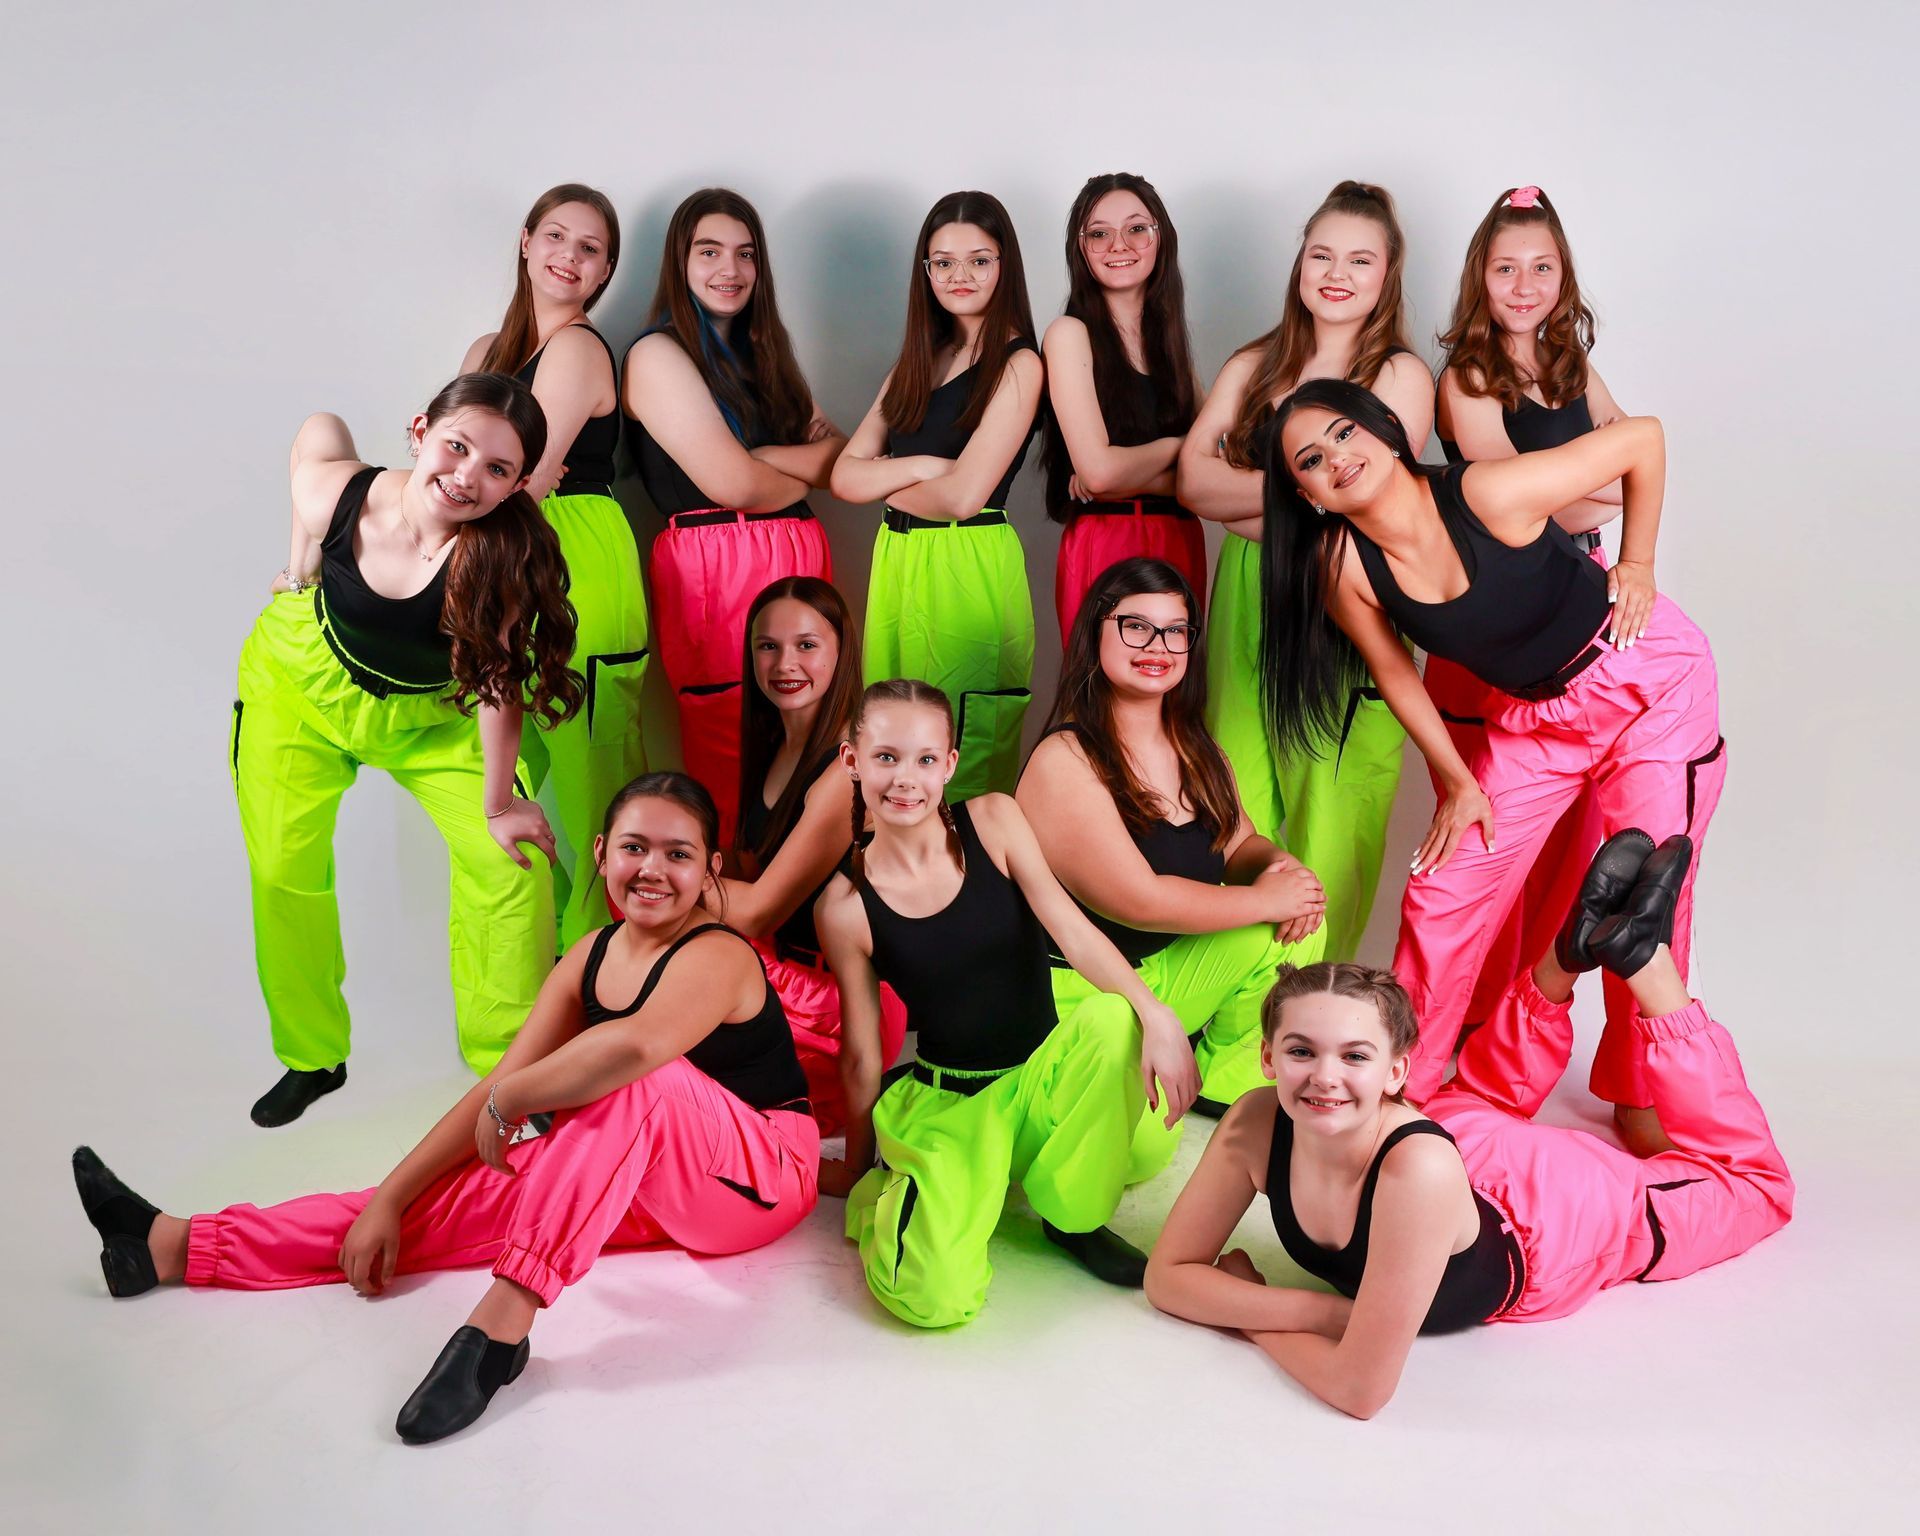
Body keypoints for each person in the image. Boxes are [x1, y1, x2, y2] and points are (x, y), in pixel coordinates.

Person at [74, 774, 818, 1444]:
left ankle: (501, 1329)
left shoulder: (719, 953)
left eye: (678, 854)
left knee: (630, 1083)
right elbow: (500, 1083)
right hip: (636, 1165)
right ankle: (172, 1245)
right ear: (600, 851)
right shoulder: (589, 955)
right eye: (634, 847)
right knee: (407, 1213)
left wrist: (513, 1099)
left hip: (763, 1178)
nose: (652, 869)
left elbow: (631, 1052)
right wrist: (395, 1197)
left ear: (710, 869)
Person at [1146, 831, 1792, 1419]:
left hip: (1549, 1218)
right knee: (1481, 1095)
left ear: (1398, 1072)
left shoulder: (1419, 1166)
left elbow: (1358, 1389)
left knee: (1756, 1188)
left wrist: (1249, 1314)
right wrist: (1319, 1312)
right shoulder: (1257, 1119)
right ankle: (1565, 954)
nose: (1323, 1077)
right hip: (1456, 1143)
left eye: (1355, 1056)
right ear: (1267, 1058)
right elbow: (1167, 1278)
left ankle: (1644, 959)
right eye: (1300, 1051)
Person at [1258, 378, 1725, 1131]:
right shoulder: (1344, 563)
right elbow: (1395, 676)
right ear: (1307, 494)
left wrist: (1635, 563)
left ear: (1384, 430)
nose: (1336, 458)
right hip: (1535, 719)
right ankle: (1398, 1091)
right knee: (1441, 893)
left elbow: (1643, 438)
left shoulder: (1486, 493)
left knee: (1646, 882)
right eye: (1311, 459)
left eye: (1345, 433)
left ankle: (1644, 1090)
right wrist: (1456, 784)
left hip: (1643, 679)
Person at [239, 373, 580, 1127]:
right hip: (304, 687)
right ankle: (312, 1055)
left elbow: (498, 684)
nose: (466, 477)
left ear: (519, 484)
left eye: (496, 469)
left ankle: (510, 1070)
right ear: (420, 431)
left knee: (510, 863)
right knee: (281, 867)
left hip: (440, 716)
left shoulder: (499, 557)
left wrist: (498, 803)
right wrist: (298, 564)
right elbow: (317, 428)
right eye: (456, 447)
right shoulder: (338, 495)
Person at [815, 680, 1199, 1328]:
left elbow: (1072, 932)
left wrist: (1156, 1013)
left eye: (924, 760)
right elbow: (859, 1050)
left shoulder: (993, 819)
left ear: (950, 765)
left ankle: (1070, 1219)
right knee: (932, 1302)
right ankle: (905, 1192)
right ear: (852, 761)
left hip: (1041, 1077)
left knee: (1115, 1022)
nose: (905, 779)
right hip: (955, 1106)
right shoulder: (846, 907)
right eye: (885, 758)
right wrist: (856, 1168)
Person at [1176, 180, 1433, 960]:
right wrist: (1307, 491)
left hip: (1341, 603)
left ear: (1387, 274)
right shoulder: (1254, 362)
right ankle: (1237, 1023)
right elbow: (1192, 483)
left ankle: (1316, 1017)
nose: (1337, 273)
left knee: (1333, 817)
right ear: (1300, 262)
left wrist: (1250, 495)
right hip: (1245, 598)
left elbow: (1367, 505)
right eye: (1321, 254)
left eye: (1361, 259)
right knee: (1233, 803)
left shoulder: (1399, 376)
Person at [1017, 557, 1327, 1180]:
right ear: (1096, 634)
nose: (1158, 647)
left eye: (1175, 630)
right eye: (1136, 627)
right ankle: (1114, 1078)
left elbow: (1241, 844)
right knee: (1141, 1159)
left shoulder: (1194, 745)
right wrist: (1271, 899)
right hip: (1079, 995)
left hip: (1161, 972)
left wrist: (1283, 868)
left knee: (1305, 920)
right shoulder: (1065, 756)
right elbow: (1139, 899)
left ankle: (1221, 1082)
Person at [1431, 184, 1634, 1037]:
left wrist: (1586, 487)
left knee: (1572, 847)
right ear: (1481, 275)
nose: (1524, 285)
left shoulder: (1574, 368)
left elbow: (1621, 494)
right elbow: (1542, 505)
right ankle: (1462, 1033)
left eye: (1541, 267)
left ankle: (1518, 1035)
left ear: (1564, 276)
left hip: (1585, 617)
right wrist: (1594, 479)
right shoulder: (1465, 379)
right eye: (1506, 267)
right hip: (1500, 630)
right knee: (1492, 856)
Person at [461, 184, 651, 946]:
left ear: (605, 273)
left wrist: (488, 480)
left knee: (593, 797)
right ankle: (559, 990)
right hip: (505, 571)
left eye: (591, 249)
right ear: (525, 240)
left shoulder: (577, 348)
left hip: (578, 563)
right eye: (557, 237)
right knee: (526, 797)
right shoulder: (486, 352)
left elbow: (522, 484)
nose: (569, 258)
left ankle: (616, 988)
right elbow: (462, 473)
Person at [624, 188, 842, 844]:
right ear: (679, 262)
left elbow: (841, 460)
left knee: (807, 746)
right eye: (710, 251)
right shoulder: (656, 355)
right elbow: (733, 482)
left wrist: (783, 464)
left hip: (796, 561)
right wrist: (792, 462)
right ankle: (733, 930)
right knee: (728, 748)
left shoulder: (764, 354)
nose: (731, 269)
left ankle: (790, 927)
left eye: (746, 254)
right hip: (716, 567)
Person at [830, 191, 1042, 800]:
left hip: (967, 564)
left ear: (1006, 266)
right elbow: (844, 476)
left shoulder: (1019, 363)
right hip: (898, 565)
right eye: (942, 262)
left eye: (979, 259)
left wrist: (887, 480)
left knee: (960, 758)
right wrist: (921, 464)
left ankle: (968, 888)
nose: (960, 276)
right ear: (925, 272)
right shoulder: (918, 361)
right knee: (891, 747)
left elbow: (963, 497)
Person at [717, 576, 908, 1130]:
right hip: (780, 978)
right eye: (768, 646)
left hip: (836, 1009)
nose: (784, 663)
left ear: (841, 652)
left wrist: (659, 878)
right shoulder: (774, 740)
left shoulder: (848, 765)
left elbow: (756, 910)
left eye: (806, 645)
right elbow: (748, 870)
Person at [1040, 173, 1205, 645]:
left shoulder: (1171, 341)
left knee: (1173, 698)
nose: (1119, 244)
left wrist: (1119, 470)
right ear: (1081, 247)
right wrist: (1180, 449)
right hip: (1108, 539)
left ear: (1160, 239)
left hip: (1180, 540)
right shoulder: (1069, 334)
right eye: (1099, 232)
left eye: (1136, 228)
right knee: (1101, 700)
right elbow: (1100, 475)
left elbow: (1221, 458)